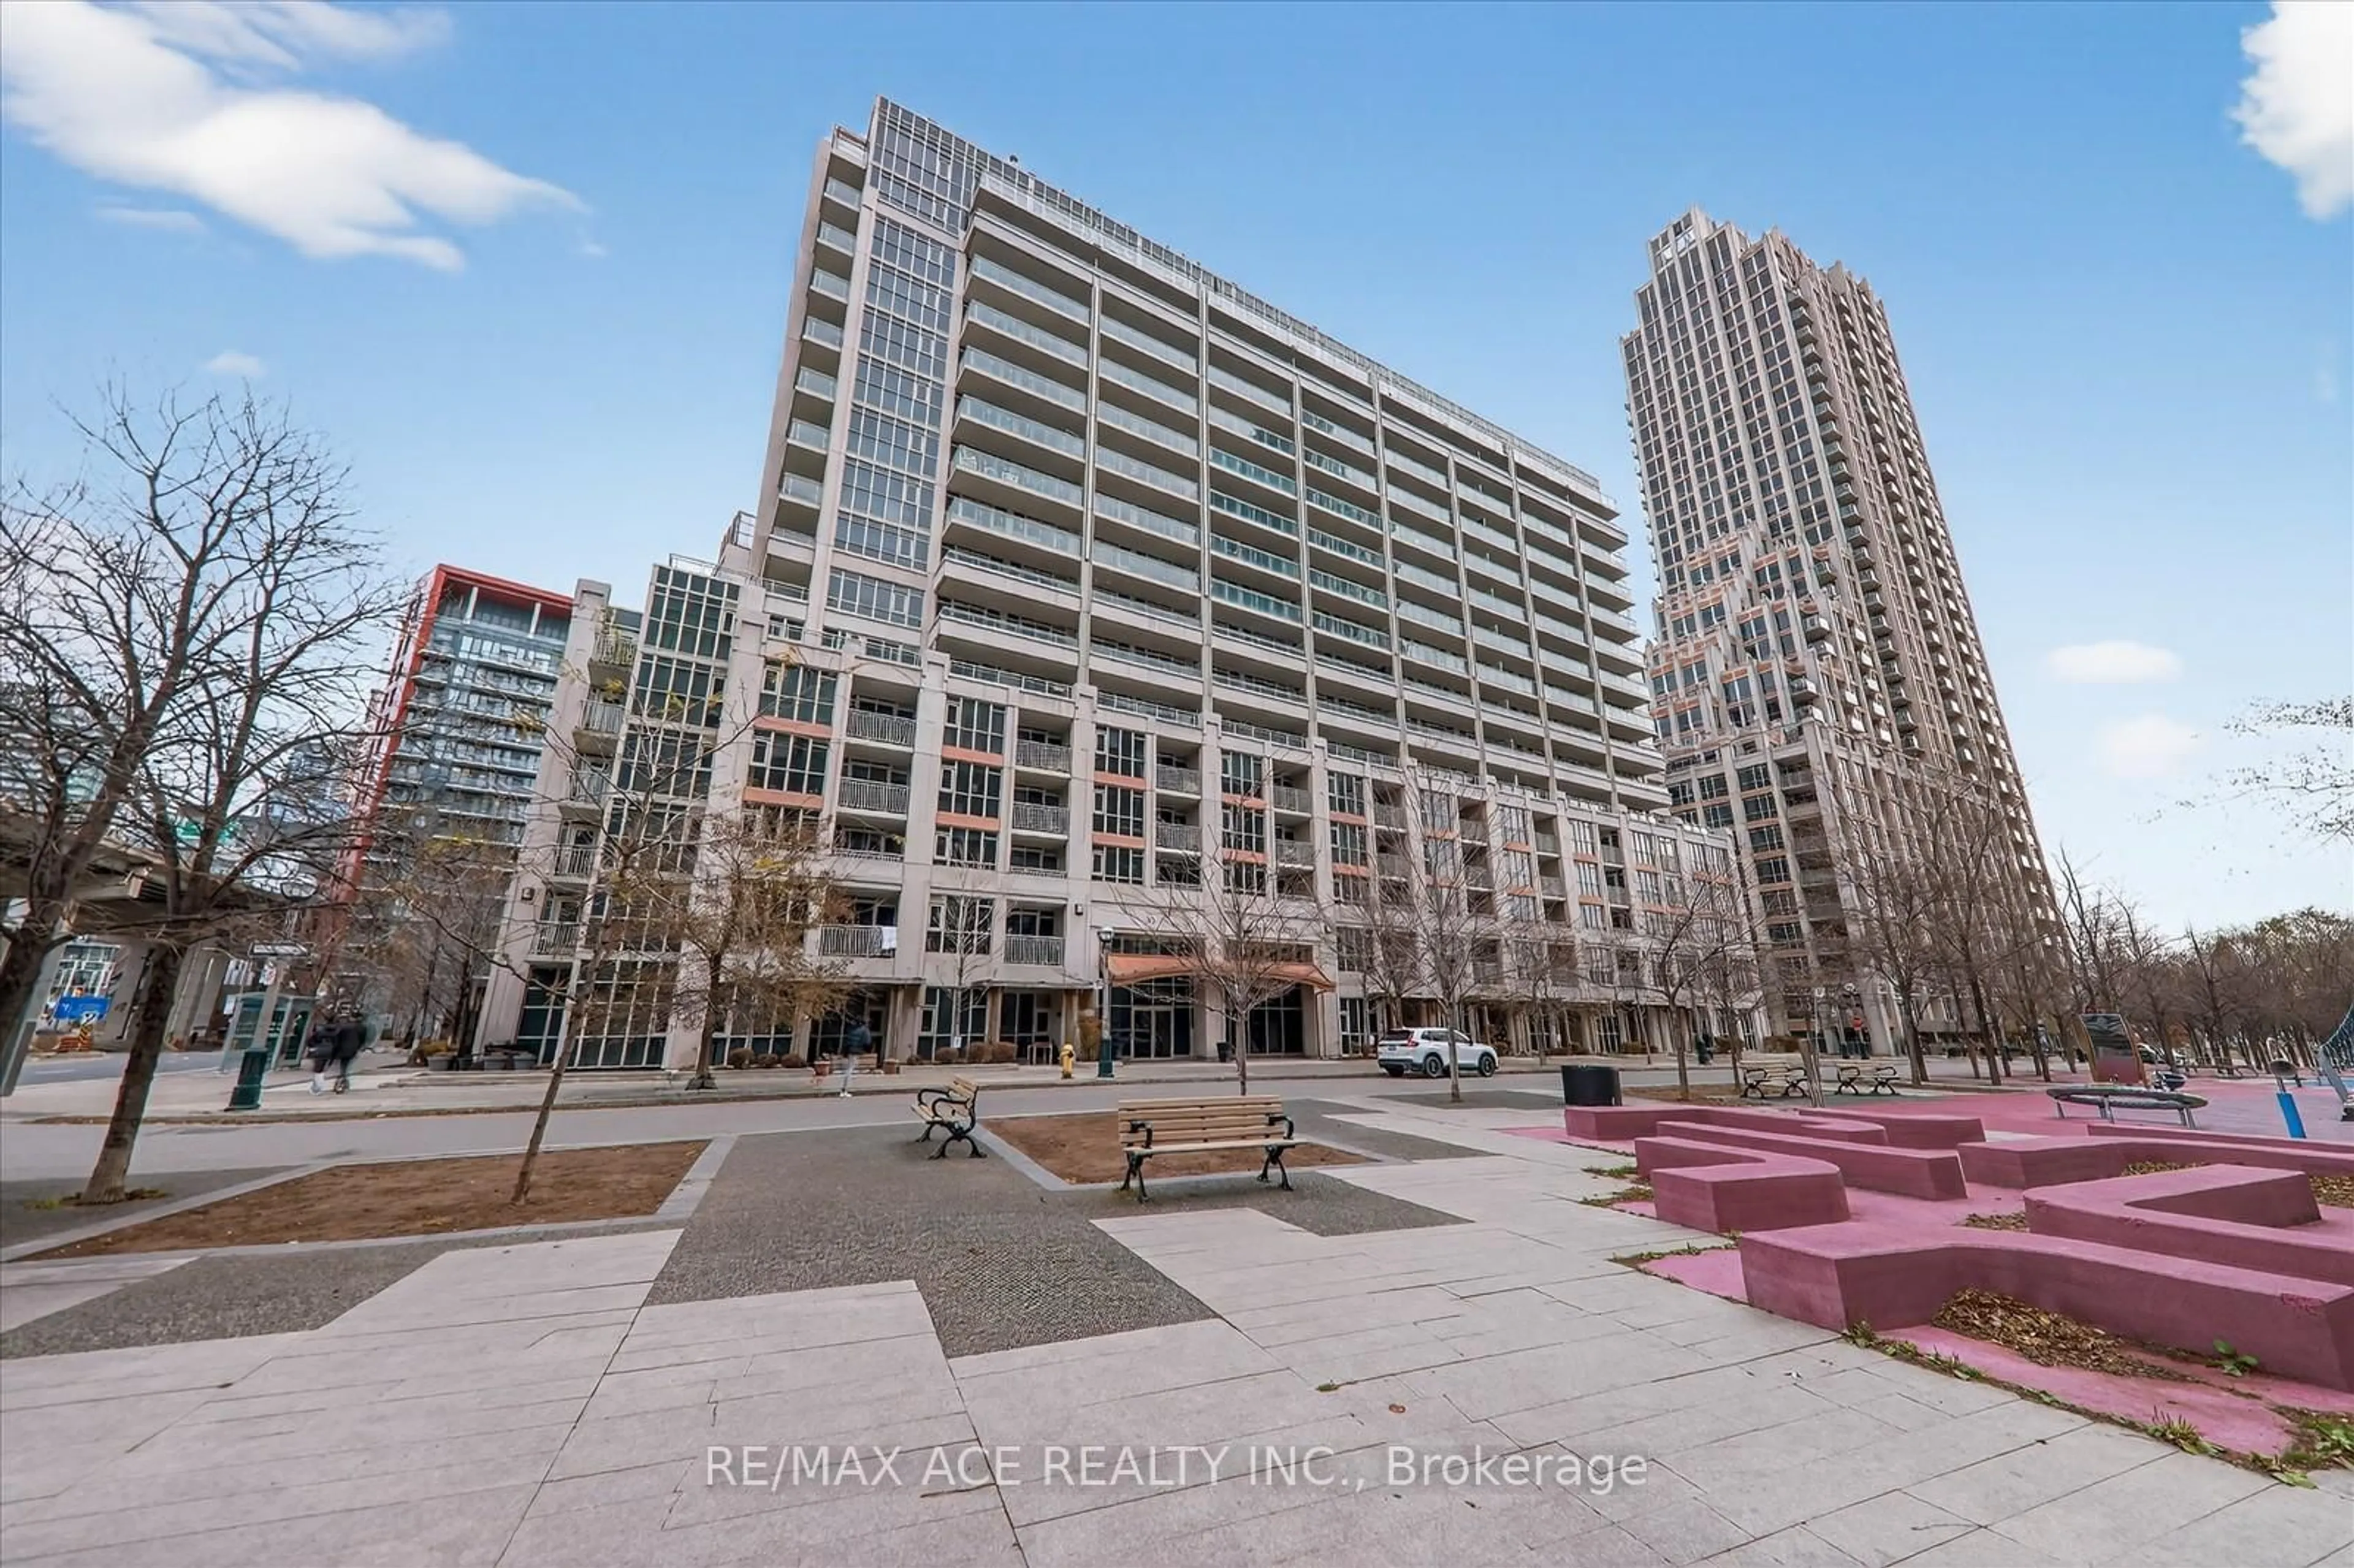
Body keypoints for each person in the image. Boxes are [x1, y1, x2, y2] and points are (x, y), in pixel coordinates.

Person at [838, 1014, 872, 1097]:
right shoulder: (864, 1030)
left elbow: (848, 1040)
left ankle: (845, 1089)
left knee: (849, 1069)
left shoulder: (852, 1029)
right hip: (856, 1051)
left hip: (850, 1050)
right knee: (850, 1070)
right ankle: (845, 1090)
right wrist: (867, 1050)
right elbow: (867, 1042)